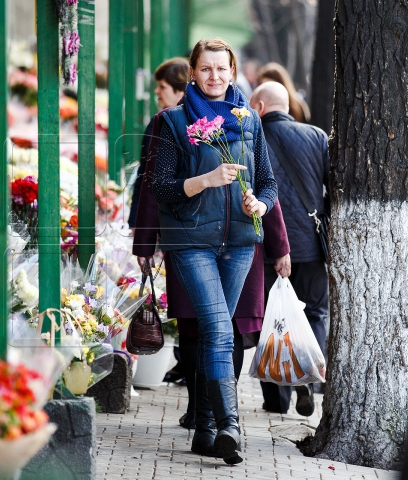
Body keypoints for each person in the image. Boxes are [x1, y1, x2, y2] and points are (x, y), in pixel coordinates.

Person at [151, 37, 278, 465]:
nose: (215, 77)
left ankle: (205, 430)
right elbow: (160, 189)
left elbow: (269, 182)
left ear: (233, 71)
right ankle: (231, 428)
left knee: (214, 334)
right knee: (221, 331)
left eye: (222, 69)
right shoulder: (172, 122)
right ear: (193, 73)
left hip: (240, 243)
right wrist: (206, 180)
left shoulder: (248, 120)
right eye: (206, 69)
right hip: (192, 242)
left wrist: (259, 203)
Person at [249, 81, 329, 416]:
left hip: (269, 245)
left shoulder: (252, 140)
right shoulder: (316, 136)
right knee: (314, 312)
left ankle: (277, 399)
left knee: (272, 319)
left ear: (261, 108)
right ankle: (309, 383)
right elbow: (330, 185)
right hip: (310, 244)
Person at [128, 58, 190, 229]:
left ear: (180, 92)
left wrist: (138, 224)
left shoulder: (162, 123)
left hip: (165, 224)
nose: (156, 91)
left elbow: (147, 178)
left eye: (162, 87)